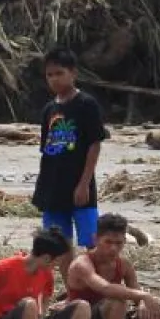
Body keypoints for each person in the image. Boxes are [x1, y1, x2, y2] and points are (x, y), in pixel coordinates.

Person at [33, 47, 109, 250]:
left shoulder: (86, 104)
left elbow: (94, 144)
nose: (54, 79)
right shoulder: (49, 109)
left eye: (60, 73)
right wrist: (42, 188)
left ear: (73, 73)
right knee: (58, 245)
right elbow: (46, 151)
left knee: (92, 241)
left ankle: (93, 281)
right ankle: (72, 283)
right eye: (50, 75)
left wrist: (84, 183)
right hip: (53, 186)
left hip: (78, 184)